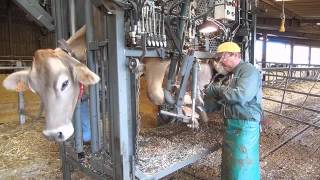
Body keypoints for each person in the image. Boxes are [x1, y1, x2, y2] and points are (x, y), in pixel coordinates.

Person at [204, 42, 262, 179]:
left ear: (235, 55)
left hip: (245, 125)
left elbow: (242, 95)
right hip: (232, 125)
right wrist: (202, 107)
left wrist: (217, 89)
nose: (220, 62)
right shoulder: (233, 74)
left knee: (242, 166)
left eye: (222, 58)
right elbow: (225, 100)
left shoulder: (248, 71)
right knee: (231, 164)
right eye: (218, 59)